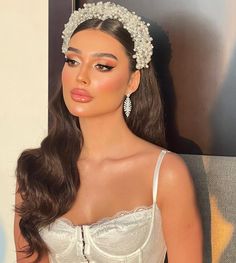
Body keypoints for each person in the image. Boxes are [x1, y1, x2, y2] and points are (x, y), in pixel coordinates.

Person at [14, 2, 203, 262]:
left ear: (132, 81)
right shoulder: (36, 170)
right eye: (72, 60)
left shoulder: (166, 173)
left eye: (102, 66)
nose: (81, 76)